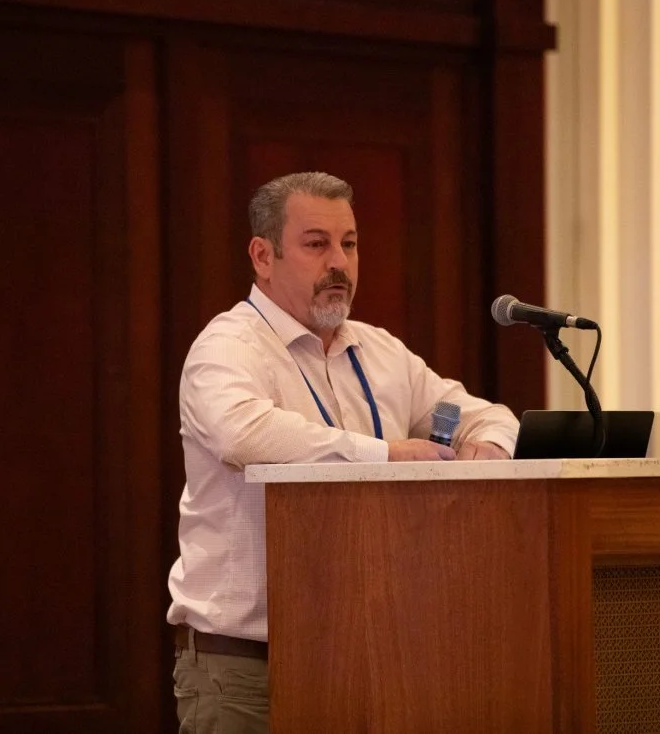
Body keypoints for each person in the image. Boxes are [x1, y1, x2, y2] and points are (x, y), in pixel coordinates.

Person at [167, 172, 519, 733]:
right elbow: (244, 434)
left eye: (349, 244)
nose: (339, 263)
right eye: (317, 244)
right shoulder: (227, 347)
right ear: (263, 256)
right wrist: (386, 456)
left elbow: (482, 415)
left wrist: (491, 449)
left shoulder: (379, 351)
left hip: (371, 656)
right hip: (249, 668)